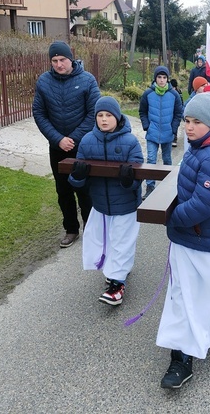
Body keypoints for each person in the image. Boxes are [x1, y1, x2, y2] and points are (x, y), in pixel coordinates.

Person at [156, 91, 210, 389]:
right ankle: (191, 344)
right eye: (186, 121)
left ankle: (183, 359)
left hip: (199, 239)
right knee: (190, 296)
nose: (188, 127)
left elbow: (203, 204)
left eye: (196, 122)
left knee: (189, 298)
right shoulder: (199, 147)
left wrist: (172, 217)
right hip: (197, 240)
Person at [68, 96, 143, 306]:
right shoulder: (87, 141)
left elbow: (138, 176)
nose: (103, 119)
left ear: (117, 117)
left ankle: (117, 285)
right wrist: (79, 175)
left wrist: (130, 180)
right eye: (100, 115)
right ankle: (116, 271)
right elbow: (75, 179)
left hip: (125, 205)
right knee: (106, 242)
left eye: (108, 115)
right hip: (101, 204)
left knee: (121, 242)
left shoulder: (130, 142)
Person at [33, 40, 100, 249]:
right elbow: (39, 113)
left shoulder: (87, 80)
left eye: (62, 59)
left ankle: (91, 229)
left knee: (85, 190)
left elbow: (94, 113)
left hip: (83, 147)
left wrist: (74, 138)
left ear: (70, 58)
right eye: (54, 60)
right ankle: (71, 229)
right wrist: (57, 139)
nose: (59, 64)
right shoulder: (43, 82)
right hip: (57, 147)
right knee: (63, 191)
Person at [139, 65, 183, 199]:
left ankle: (167, 185)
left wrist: (173, 129)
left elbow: (178, 113)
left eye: (164, 77)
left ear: (168, 79)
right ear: (155, 78)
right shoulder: (148, 93)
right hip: (152, 133)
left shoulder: (174, 95)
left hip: (167, 133)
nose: (162, 80)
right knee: (151, 159)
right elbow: (142, 111)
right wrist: (147, 126)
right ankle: (150, 186)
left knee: (167, 159)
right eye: (159, 77)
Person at [169, 79, 183, 147]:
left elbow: (181, 103)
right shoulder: (168, 93)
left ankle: (174, 139)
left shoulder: (178, 93)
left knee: (175, 125)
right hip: (169, 111)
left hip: (176, 111)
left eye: (174, 87)